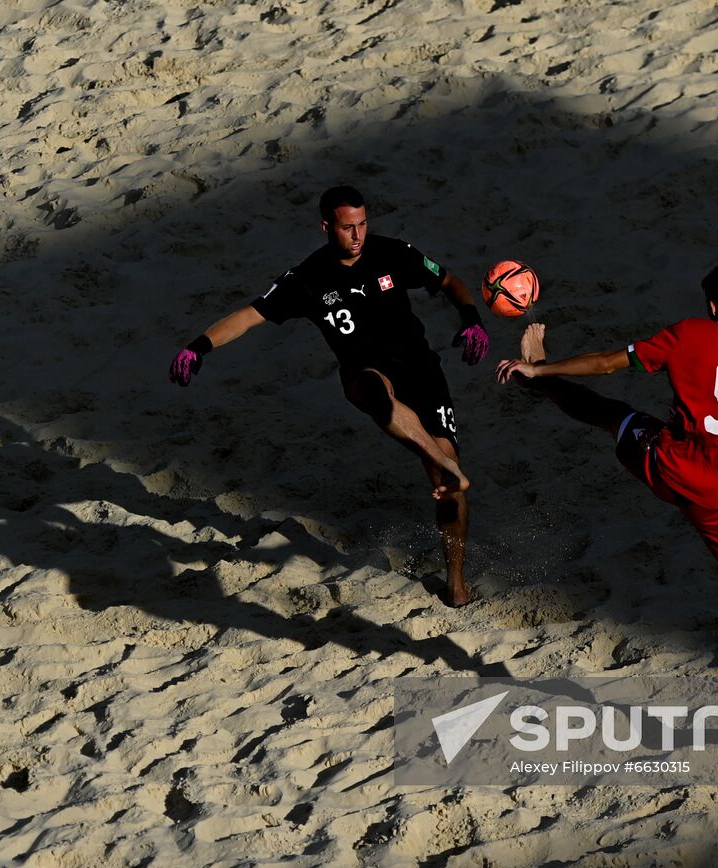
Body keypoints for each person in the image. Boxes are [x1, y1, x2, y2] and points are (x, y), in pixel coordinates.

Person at [169, 185, 490, 607]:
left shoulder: (393, 253)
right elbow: (249, 316)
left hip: (422, 372)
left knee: (448, 488)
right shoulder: (307, 278)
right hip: (365, 375)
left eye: (362, 224)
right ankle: (444, 462)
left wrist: (471, 319)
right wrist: (199, 345)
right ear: (326, 227)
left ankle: (455, 577)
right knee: (374, 389)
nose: (357, 235)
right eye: (346, 227)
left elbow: (449, 280)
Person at [495, 263, 718, 682]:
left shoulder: (689, 333)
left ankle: (538, 382)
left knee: (611, 415)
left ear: (711, 306)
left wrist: (542, 367)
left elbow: (607, 363)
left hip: (666, 465)